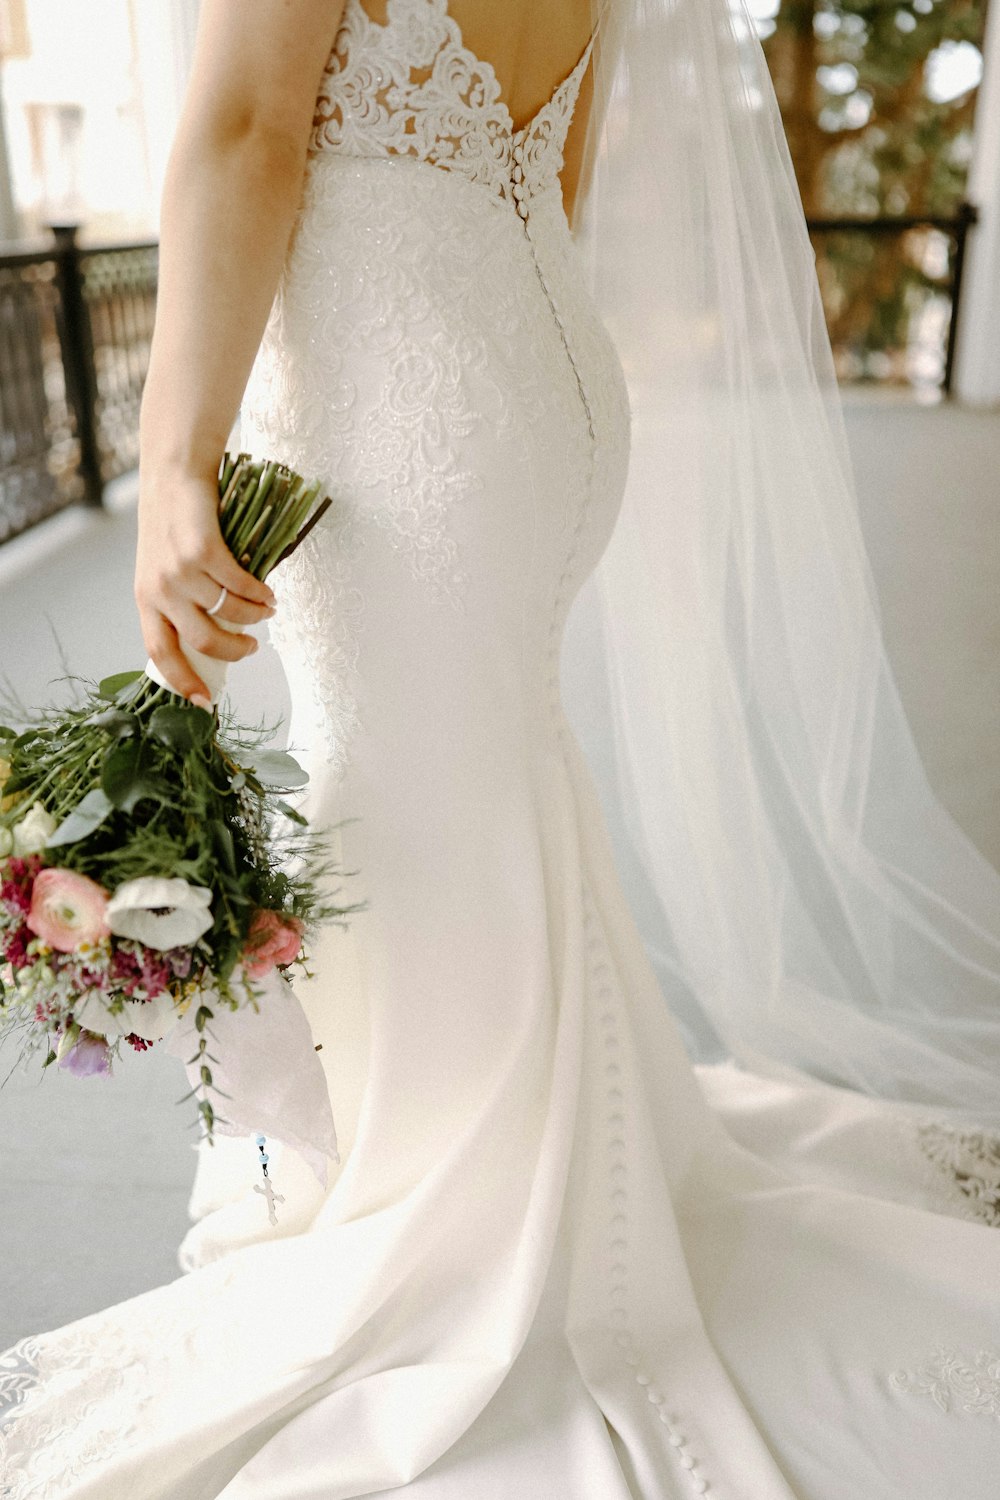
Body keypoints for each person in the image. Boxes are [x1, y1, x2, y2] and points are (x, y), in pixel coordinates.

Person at [2, 1, 1000, 1496]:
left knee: (400, 794)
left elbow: (248, 126)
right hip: (532, 378)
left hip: (405, 388)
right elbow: (568, 155)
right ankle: (531, 1151)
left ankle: (468, 1216)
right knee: (476, 778)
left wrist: (167, 465)